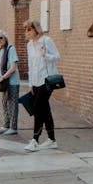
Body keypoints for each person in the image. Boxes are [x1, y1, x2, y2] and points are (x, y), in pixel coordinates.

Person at [23, 20, 61, 151]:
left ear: (36, 29)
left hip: (47, 80)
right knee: (45, 110)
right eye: (25, 29)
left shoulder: (46, 41)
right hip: (36, 81)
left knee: (38, 108)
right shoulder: (29, 45)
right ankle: (52, 140)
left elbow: (57, 57)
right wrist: (30, 84)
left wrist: (45, 55)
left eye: (28, 29)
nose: (26, 32)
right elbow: (30, 65)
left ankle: (35, 140)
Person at [0, 30, 20, 135]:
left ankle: (13, 127)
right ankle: (6, 125)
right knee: (4, 103)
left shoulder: (11, 49)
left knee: (12, 104)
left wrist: (1, 78)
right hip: (3, 81)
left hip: (12, 81)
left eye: (1, 38)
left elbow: (13, 68)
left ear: (5, 38)